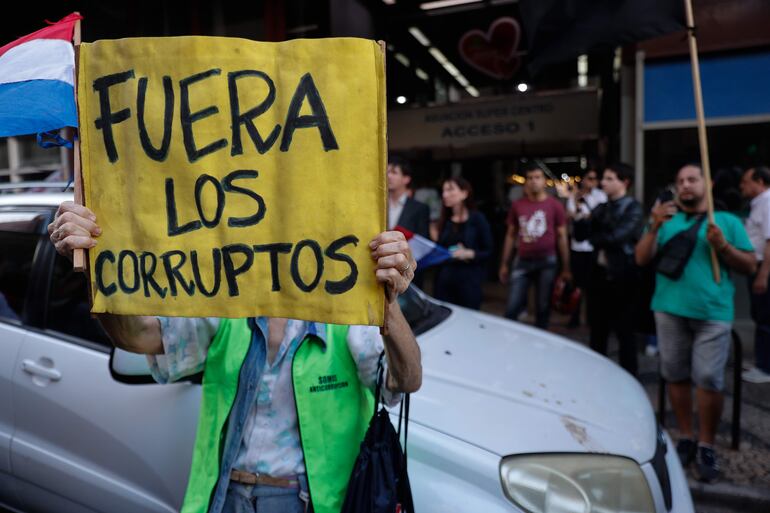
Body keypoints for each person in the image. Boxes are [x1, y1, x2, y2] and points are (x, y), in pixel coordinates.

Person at [48, 201, 423, 513]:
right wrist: (101, 270)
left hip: (308, 502)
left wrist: (385, 303)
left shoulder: (347, 318)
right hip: (226, 496)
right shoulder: (227, 308)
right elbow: (139, 337)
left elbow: (405, 380)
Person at [635, 164, 756, 483]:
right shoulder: (665, 219)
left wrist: (723, 247)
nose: (685, 186)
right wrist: (653, 227)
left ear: (708, 184)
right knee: (674, 374)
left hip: (713, 312)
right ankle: (686, 436)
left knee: (708, 378)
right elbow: (641, 258)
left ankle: (706, 443)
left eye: (692, 180)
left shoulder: (727, 222)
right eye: (680, 182)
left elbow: (749, 264)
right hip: (668, 308)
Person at [574, 163, 642, 375]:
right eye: (604, 178)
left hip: (623, 277)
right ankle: (598, 377)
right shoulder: (601, 207)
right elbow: (580, 235)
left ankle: (630, 378)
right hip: (599, 276)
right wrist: (580, 215)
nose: (603, 183)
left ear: (625, 182)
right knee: (598, 332)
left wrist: (595, 235)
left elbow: (617, 237)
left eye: (610, 178)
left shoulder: (632, 207)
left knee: (625, 333)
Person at [499, 164, 571, 329]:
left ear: (544, 181)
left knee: (543, 307)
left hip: (547, 260)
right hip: (522, 259)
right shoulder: (518, 205)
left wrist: (566, 267)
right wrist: (504, 263)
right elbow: (510, 235)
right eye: (530, 178)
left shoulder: (554, 205)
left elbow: (562, 237)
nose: (533, 182)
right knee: (512, 306)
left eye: (537, 177)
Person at [433, 177, 493, 310]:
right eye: (443, 191)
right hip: (445, 279)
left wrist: (469, 253)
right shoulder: (444, 220)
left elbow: (488, 251)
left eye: (450, 190)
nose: (445, 195)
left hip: (468, 280)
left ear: (464, 193)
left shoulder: (477, 219)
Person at [565, 166, 607, 327]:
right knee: (577, 284)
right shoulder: (574, 196)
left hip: (593, 246)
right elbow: (571, 216)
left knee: (593, 285)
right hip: (578, 245)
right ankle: (574, 316)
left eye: (595, 178)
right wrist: (577, 200)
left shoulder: (600, 196)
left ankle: (591, 317)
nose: (592, 182)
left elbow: (599, 218)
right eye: (589, 178)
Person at [739, 166, 770, 383]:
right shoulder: (759, 203)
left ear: (759, 181)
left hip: (763, 268)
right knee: (760, 315)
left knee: (765, 317)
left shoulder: (768, 203)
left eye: (746, 181)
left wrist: (763, 275)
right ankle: (761, 360)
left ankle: (765, 367)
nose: (742, 186)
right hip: (756, 266)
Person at [387, 155, 430, 239]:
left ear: (406, 179)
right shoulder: (377, 206)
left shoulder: (419, 208)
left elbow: (422, 242)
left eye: (394, 172)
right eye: (387, 172)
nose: (389, 176)